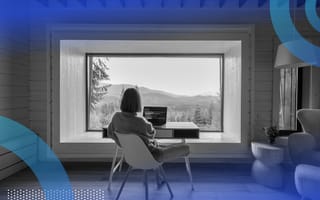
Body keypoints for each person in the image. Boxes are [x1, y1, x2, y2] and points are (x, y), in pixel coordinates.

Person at [107, 87, 189, 162]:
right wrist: (145, 121)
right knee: (185, 148)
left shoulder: (116, 117)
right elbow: (152, 133)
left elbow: (110, 133)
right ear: (137, 103)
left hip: (130, 157)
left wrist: (123, 143)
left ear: (123, 101)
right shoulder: (140, 122)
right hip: (153, 156)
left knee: (160, 145)